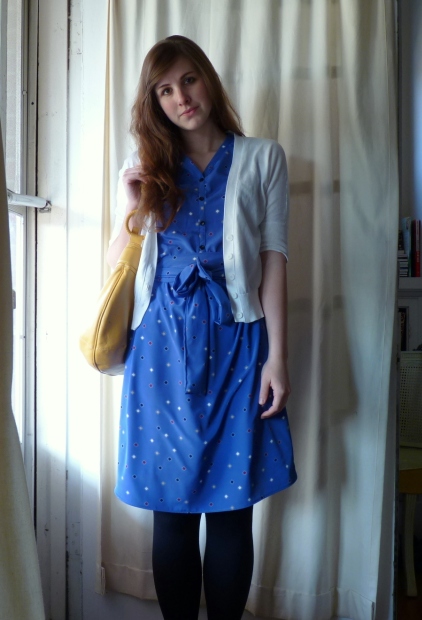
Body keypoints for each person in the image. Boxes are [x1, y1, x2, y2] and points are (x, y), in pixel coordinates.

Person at [107, 35, 297, 620]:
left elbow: (273, 258)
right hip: (160, 348)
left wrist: (277, 357)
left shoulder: (264, 158)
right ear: (154, 102)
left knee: (233, 509)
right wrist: (130, 205)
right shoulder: (145, 164)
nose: (181, 97)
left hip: (239, 343)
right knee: (171, 511)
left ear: (207, 79)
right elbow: (118, 268)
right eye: (165, 90)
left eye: (188, 80)